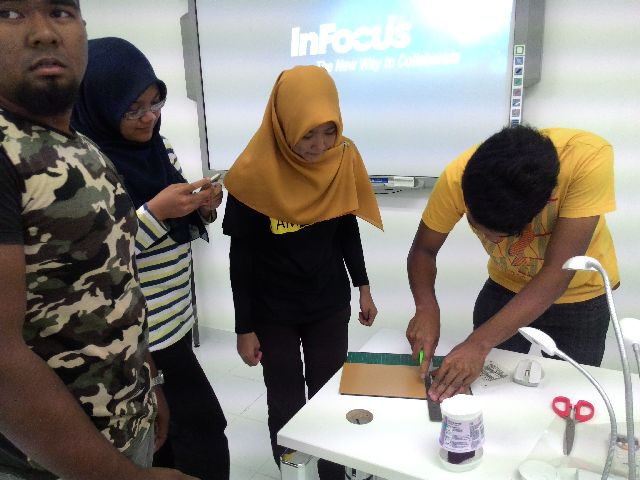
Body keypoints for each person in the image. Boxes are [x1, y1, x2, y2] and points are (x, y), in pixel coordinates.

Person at [0, 2, 197, 480]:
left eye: (60, 11)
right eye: (10, 14)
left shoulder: (84, 147)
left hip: (127, 424)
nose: (44, 33)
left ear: (83, 30)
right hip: (49, 464)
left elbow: (118, 284)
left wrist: (149, 383)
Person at [71, 37, 230, 479]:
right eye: (133, 108)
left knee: (168, 435)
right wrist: (157, 211)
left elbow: (176, 220)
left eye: (155, 103)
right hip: (141, 331)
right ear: (100, 105)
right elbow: (100, 257)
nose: (149, 117)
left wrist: (202, 206)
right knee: (202, 429)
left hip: (175, 318)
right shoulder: (87, 166)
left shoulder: (160, 146)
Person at [222, 65, 383, 479]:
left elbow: (346, 228)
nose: (320, 145)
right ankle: (292, 474)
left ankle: (332, 475)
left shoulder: (340, 158)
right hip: (272, 310)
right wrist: (244, 328)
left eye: (329, 131)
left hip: (328, 302)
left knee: (328, 397)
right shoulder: (252, 171)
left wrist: (363, 286)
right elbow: (241, 258)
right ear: (284, 122)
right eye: (308, 133)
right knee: (286, 401)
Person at [407, 125, 618, 402]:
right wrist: (425, 307)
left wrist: (478, 343)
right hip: (504, 287)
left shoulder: (587, 158)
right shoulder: (457, 177)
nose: (490, 240)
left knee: (573, 394)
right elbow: (423, 250)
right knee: (486, 389)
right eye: (478, 227)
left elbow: (558, 271)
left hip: (580, 297)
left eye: (501, 235)